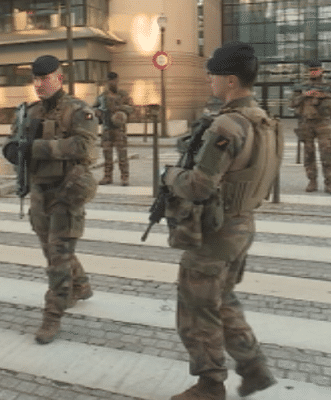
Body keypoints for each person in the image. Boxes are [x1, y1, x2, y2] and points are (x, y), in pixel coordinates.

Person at [161, 42, 282, 400]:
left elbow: (199, 186)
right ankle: (254, 368)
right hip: (243, 227)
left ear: (231, 80)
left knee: (198, 312)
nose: (209, 80)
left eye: (213, 74)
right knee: (223, 300)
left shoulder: (228, 125)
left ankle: (210, 386)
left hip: (215, 234)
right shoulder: (264, 120)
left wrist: (169, 176)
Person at [2, 55, 98, 344]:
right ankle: (80, 285)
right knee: (54, 249)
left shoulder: (79, 111)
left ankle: (52, 315)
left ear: (60, 78)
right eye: (36, 79)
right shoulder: (28, 113)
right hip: (39, 193)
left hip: (67, 192)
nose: (39, 84)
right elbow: (14, 141)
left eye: (45, 78)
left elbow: (83, 146)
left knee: (58, 257)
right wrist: (12, 151)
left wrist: (37, 148)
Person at [289, 60, 331, 193]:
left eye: (316, 70)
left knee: (327, 154)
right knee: (308, 155)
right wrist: (304, 95)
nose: (313, 72)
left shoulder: (328, 85)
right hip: (306, 124)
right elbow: (291, 103)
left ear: (321, 71)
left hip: (323, 124)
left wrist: (323, 96)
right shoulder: (302, 86)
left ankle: (329, 182)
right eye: (311, 70)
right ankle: (312, 181)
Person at [93, 71, 134, 186]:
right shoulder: (102, 97)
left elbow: (131, 108)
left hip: (119, 130)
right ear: (107, 82)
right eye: (110, 81)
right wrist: (97, 112)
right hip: (106, 129)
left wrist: (120, 109)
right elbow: (94, 108)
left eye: (114, 81)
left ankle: (124, 177)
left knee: (122, 155)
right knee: (107, 155)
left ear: (117, 81)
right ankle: (107, 176)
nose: (112, 83)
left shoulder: (123, 95)